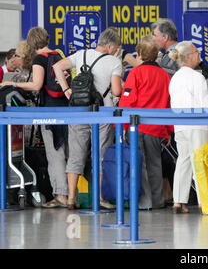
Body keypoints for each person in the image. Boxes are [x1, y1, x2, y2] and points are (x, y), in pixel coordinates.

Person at [53, 28, 122, 210]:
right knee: (99, 156)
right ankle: (98, 198)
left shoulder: (81, 53)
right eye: (116, 48)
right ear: (109, 45)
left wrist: (66, 89)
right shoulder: (114, 62)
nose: (116, 51)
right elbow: (116, 91)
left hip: (79, 111)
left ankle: (71, 198)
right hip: (103, 113)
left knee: (75, 155)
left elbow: (57, 67)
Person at [0, 27, 70, 208]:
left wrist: (11, 83)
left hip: (49, 111)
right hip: (65, 107)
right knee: (65, 151)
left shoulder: (40, 58)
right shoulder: (58, 54)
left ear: (32, 43)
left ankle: (61, 195)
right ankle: (70, 194)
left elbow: (37, 85)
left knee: (54, 155)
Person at [118, 36, 172, 210]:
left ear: (139, 54)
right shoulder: (165, 76)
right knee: (156, 165)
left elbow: (127, 102)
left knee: (138, 165)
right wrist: (169, 130)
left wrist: (123, 127)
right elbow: (169, 104)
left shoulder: (135, 73)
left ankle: (143, 202)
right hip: (157, 128)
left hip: (137, 126)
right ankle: (157, 201)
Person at [168, 41, 208, 214]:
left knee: (183, 161)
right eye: (196, 52)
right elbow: (205, 104)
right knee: (199, 164)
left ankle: (178, 201)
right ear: (188, 56)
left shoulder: (175, 77)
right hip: (198, 125)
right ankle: (205, 203)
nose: (199, 54)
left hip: (180, 126)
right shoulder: (197, 77)